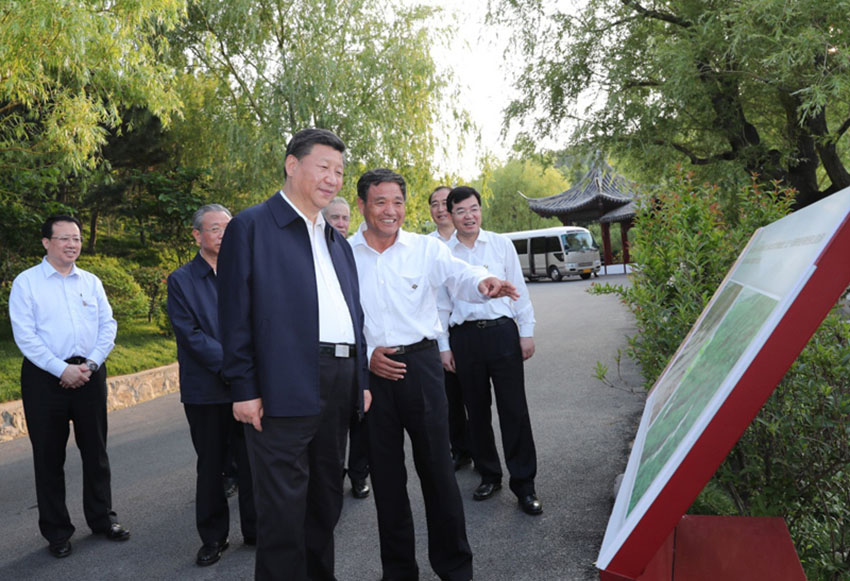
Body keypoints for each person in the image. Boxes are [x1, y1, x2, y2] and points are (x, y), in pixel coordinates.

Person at [350, 168, 519, 581]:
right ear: (362, 205)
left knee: (439, 474)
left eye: (398, 202)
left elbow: (460, 274)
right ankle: (399, 572)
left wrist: (485, 283)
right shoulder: (343, 253)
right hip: (372, 375)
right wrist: (366, 355)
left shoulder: (424, 249)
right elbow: (335, 318)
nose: (391, 211)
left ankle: (455, 568)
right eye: (381, 202)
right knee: (387, 483)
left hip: (422, 368)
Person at [217, 128, 370, 581]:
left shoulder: (335, 240)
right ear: (291, 164)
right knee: (283, 509)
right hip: (282, 382)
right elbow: (235, 315)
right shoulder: (251, 227)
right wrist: (244, 388)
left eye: (339, 171)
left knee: (326, 500)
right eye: (323, 167)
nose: (333, 179)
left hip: (339, 380)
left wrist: (360, 380)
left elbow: (354, 316)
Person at [8, 215, 129, 559]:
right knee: (48, 458)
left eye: (75, 238)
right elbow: (25, 336)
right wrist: (61, 369)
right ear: (46, 242)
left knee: (96, 452)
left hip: (90, 375)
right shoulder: (26, 283)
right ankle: (58, 532)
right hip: (45, 379)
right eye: (63, 238)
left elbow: (108, 325)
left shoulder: (90, 281)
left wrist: (89, 365)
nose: (72, 244)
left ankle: (103, 519)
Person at [438, 186, 542, 516]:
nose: (469, 216)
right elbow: (440, 305)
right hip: (465, 339)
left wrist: (526, 332)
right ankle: (490, 474)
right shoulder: (442, 252)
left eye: (474, 209)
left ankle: (524, 484)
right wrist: (444, 347)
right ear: (450, 215)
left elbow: (519, 292)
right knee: (476, 411)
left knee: (514, 410)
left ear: (480, 210)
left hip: (502, 335)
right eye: (461, 211)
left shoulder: (500, 244)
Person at [167, 204, 257, 566]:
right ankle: (213, 538)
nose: (223, 235)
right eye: (215, 229)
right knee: (212, 466)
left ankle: (255, 530)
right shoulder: (182, 280)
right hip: (206, 389)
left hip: (248, 386)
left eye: (228, 228)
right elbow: (190, 335)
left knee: (252, 462)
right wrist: (234, 366)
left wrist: (245, 371)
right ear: (197, 235)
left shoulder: (249, 272)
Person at [322, 196, 371, 500]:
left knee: (361, 418)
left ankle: (359, 475)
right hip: (332, 354)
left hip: (363, 345)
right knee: (333, 423)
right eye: (334, 218)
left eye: (345, 218)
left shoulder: (356, 251)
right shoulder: (317, 253)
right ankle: (333, 475)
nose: (341, 224)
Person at [428, 185, 473, 471]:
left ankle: (483, 453)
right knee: (450, 398)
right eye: (434, 204)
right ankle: (460, 449)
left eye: (446, 203)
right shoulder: (426, 247)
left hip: (471, 331)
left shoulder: (469, 240)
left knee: (476, 399)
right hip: (441, 333)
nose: (440, 208)